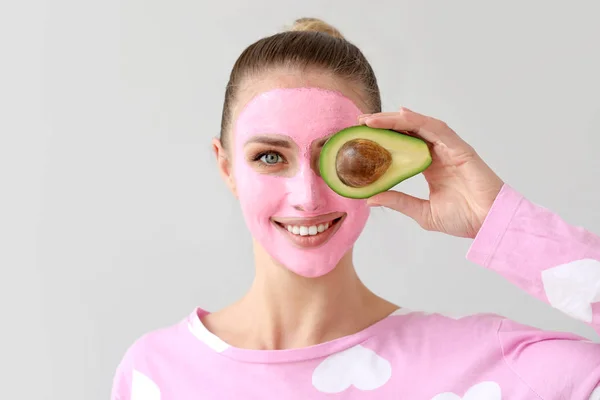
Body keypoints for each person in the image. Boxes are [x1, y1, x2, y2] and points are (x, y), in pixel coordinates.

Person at [110, 17, 600, 399]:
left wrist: (503, 224)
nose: (306, 196)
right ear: (226, 167)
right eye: (269, 157)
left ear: (383, 165)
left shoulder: (494, 366)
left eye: (339, 158)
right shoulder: (155, 373)